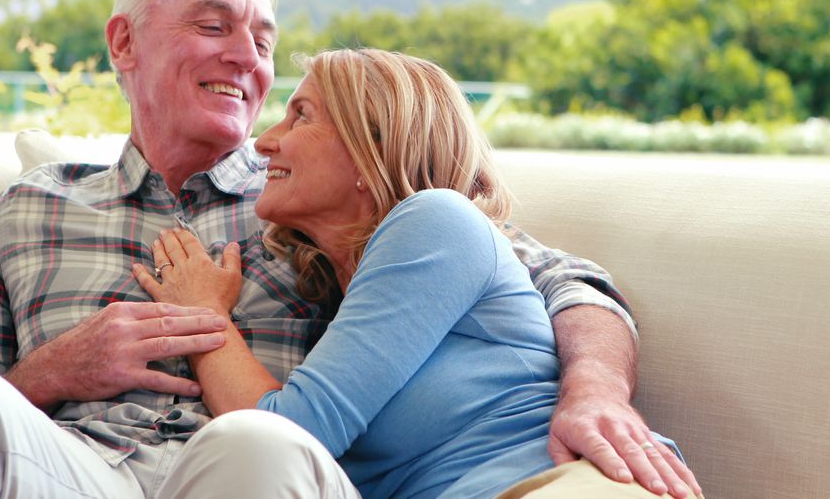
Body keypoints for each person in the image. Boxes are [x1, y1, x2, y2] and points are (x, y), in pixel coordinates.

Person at [0, 0, 700, 499]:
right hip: (74, 471)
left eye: (265, 42)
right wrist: (50, 373)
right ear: (124, 43)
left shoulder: (331, 213)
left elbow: (567, 282)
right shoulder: (31, 206)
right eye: (215, 27)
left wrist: (596, 390)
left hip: (259, 472)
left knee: (254, 444)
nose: (247, 58)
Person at [133, 48, 701, 498]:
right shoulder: (343, 295)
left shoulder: (436, 221)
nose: (265, 141)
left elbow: (286, 431)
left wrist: (204, 315)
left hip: (560, 486)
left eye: (301, 114)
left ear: (372, 146)